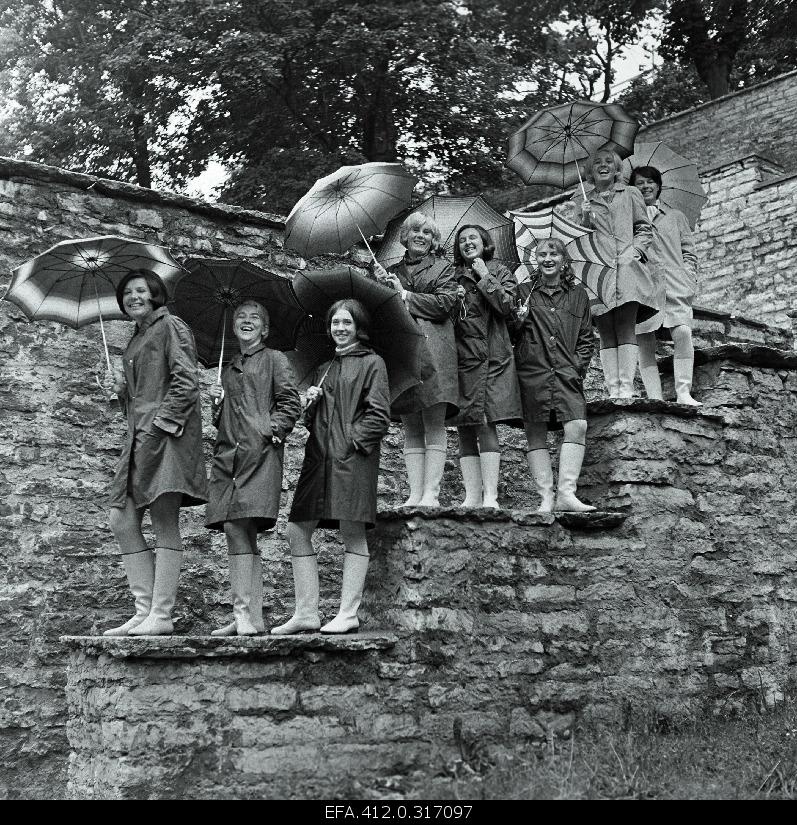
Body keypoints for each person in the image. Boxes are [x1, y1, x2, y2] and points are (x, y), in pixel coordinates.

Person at [271, 299, 390, 636]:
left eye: (346, 323)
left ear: (358, 327)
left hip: (352, 460)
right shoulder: (325, 367)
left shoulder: (373, 363)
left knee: (352, 531)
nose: (340, 328)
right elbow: (316, 421)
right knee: (297, 529)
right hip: (318, 458)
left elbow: (379, 415)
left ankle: (348, 613)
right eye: (335, 322)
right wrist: (310, 406)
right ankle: (306, 612)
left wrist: (350, 442)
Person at [105, 269, 208, 636]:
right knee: (121, 520)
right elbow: (134, 405)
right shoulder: (134, 341)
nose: (133, 297)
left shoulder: (171, 326)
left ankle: (161, 615)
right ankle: (144, 609)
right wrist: (120, 389)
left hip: (166, 439)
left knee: (164, 520)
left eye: (140, 290)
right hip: (139, 440)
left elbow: (187, 382)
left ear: (154, 294)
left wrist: (162, 426)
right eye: (127, 292)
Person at [205, 301, 301, 636]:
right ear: (233, 327)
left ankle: (244, 611)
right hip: (227, 456)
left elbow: (291, 402)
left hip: (258, 454)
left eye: (255, 318)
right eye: (241, 318)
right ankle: (251, 616)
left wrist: (270, 431)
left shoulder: (275, 360)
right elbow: (224, 419)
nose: (247, 322)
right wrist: (216, 403)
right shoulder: (229, 367)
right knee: (238, 530)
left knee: (238, 526)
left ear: (265, 329)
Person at [372, 213, 458, 507]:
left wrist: (405, 295)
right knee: (410, 425)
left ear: (434, 241)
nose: (420, 235)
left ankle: (431, 495)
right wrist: (382, 288)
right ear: (405, 237)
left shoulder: (444, 268)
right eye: (415, 231)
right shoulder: (389, 271)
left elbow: (445, 304)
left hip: (436, 353)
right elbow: (380, 313)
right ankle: (414, 494)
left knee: (433, 422)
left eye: (426, 232)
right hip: (403, 352)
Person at [513, 239, 595, 512]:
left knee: (577, 427)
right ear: (536, 260)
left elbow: (586, 337)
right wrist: (518, 319)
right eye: (542, 254)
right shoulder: (523, 292)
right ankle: (546, 498)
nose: (547, 258)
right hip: (532, 371)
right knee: (535, 432)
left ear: (564, 260)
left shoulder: (578, 295)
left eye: (553, 254)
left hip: (566, 372)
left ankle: (566, 494)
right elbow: (509, 333)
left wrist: (577, 367)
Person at [573, 147, 658, 398]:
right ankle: (613, 388)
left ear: (617, 168)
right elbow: (578, 239)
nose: (603, 165)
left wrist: (636, 251)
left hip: (627, 267)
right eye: (597, 162)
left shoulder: (631, 193)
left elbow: (644, 228)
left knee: (625, 326)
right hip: (598, 271)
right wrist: (585, 219)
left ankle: (627, 387)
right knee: (606, 328)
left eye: (609, 161)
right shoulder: (583, 200)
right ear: (589, 171)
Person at [450, 224, 522, 509]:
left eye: (473, 238)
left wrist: (485, 276)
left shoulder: (500, 271)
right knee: (464, 425)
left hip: (493, 357)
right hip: (462, 358)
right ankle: (471, 496)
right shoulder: (452, 276)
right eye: (462, 240)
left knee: (486, 423)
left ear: (484, 243)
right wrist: (452, 299)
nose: (468, 243)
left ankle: (490, 496)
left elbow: (507, 307)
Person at [630, 165, 701, 406]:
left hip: (675, 285)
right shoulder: (630, 220)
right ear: (633, 189)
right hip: (645, 287)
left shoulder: (676, 217)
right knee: (645, 340)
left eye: (650, 182)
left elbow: (689, 252)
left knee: (682, 332)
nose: (646, 186)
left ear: (658, 186)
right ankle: (655, 397)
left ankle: (683, 392)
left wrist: (688, 277)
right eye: (640, 183)